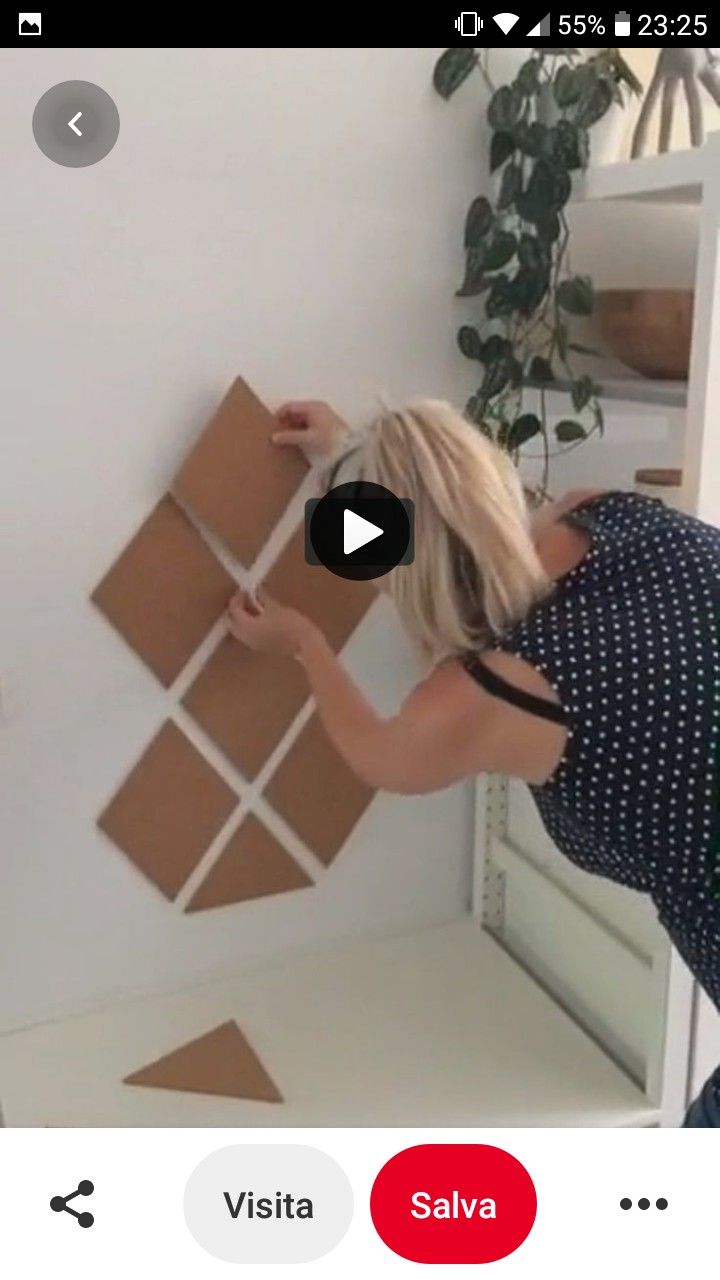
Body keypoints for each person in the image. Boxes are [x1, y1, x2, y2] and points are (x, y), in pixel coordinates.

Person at [226, 397, 720, 1127]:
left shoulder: (490, 694)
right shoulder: (610, 513)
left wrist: (304, 645)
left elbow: (381, 755)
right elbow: (451, 514)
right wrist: (351, 462)